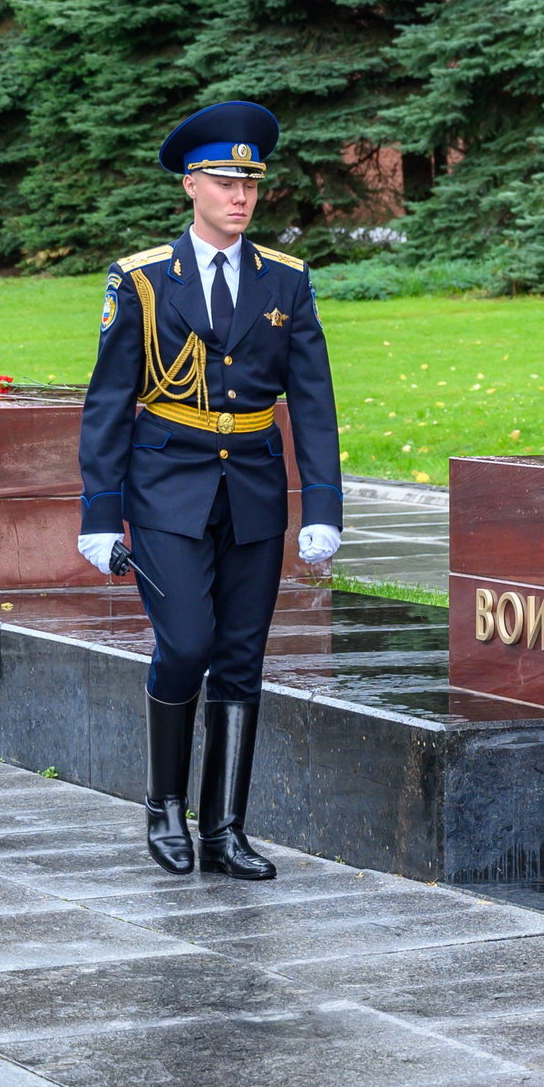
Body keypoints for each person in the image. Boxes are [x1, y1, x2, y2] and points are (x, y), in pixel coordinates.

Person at [77, 102, 344, 879]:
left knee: (239, 657)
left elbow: (314, 399)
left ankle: (224, 828)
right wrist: (100, 513)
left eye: (250, 183)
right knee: (186, 643)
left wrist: (322, 503)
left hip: (254, 490)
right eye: (226, 181)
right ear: (191, 185)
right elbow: (108, 399)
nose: (241, 196)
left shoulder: (285, 281)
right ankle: (165, 807)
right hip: (166, 486)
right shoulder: (141, 279)